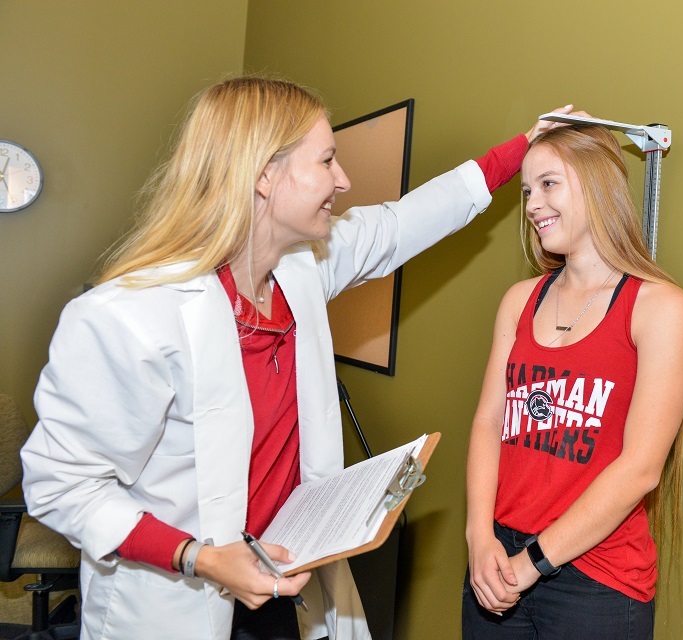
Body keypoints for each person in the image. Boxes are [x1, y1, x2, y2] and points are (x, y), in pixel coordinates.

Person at [20, 75, 575, 640]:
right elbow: (61, 485)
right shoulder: (129, 315)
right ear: (264, 174)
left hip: (285, 585)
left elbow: (401, 224)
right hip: (176, 600)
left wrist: (522, 148)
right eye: (327, 160)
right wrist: (200, 557)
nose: (343, 179)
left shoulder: (300, 270)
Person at [462, 123, 683, 639]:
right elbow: (488, 422)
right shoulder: (520, 300)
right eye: (527, 190)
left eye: (549, 184)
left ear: (597, 185)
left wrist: (534, 562)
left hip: (597, 578)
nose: (532, 205)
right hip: (498, 558)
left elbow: (640, 470)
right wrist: (479, 537)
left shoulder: (661, 308)